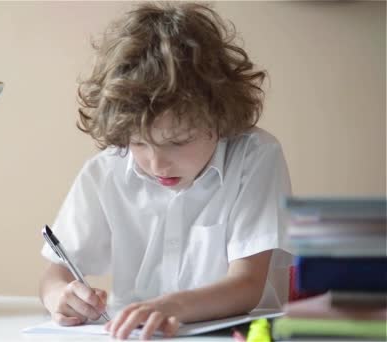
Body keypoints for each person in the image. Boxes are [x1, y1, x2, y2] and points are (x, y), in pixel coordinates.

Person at [39, 2, 292, 340]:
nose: (157, 164)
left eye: (178, 141)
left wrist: (171, 306)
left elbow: (247, 285)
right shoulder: (106, 171)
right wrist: (60, 296)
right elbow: (54, 274)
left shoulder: (255, 157)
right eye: (139, 144)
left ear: (219, 116)